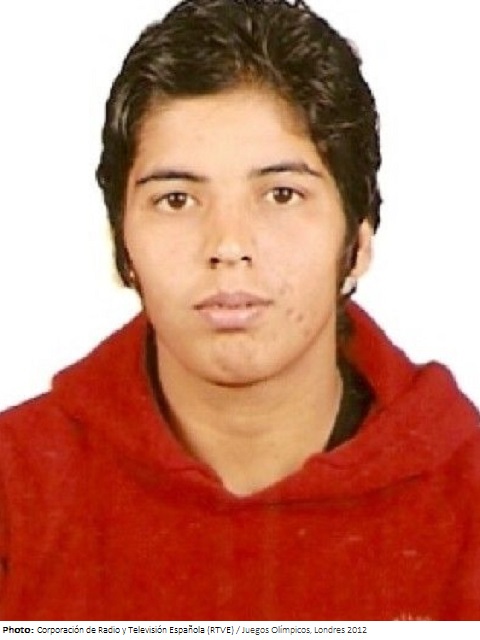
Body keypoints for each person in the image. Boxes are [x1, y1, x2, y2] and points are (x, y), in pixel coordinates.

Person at [0, 0, 479, 621]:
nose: (228, 245)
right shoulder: (16, 491)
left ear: (357, 242)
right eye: (177, 199)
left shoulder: (466, 494)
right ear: (121, 247)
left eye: (281, 194)